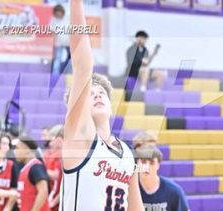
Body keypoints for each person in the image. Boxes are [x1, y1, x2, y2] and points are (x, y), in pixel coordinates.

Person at [60, 0, 144, 210]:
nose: (96, 95)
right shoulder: (79, 138)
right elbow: (83, 65)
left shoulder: (126, 153)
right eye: (91, 94)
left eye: (101, 93)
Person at [136, 145, 190, 211]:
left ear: (158, 165)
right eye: (143, 162)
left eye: (151, 163)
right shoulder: (127, 188)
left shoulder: (174, 191)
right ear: (137, 163)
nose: (147, 166)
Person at [15, 136, 50, 211]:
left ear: (27, 150)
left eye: (17, 148)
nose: (15, 151)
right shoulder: (26, 168)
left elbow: (43, 191)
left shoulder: (35, 166)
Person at [43, 125, 63, 211]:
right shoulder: (47, 152)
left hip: (57, 203)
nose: (49, 143)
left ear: (59, 140)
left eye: (51, 140)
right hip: (50, 197)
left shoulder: (62, 156)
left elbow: (57, 176)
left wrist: (41, 171)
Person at [50, 4, 71, 75]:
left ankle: (69, 73)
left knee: (71, 59)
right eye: (57, 13)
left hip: (69, 42)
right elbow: (51, 30)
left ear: (62, 12)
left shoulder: (68, 18)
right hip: (58, 42)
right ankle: (55, 75)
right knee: (57, 59)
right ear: (55, 13)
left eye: (60, 12)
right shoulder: (53, 19)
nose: (59, 14)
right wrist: (54, 39)